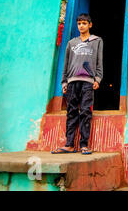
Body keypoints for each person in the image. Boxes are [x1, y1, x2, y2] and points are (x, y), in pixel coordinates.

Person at [51, 13, 103, 155]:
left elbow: (99, 61)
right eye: (79, 23)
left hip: (88, 82)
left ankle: (84, 144)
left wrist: (97, 79)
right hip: (72, 81)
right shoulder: (71, 43)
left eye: (84, 23)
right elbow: (66, 64)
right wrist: (64, 81)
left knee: (86, 111)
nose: (81, 26)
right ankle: (69, 144)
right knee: (71, 111)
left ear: (90, 25)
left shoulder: (97, 41)